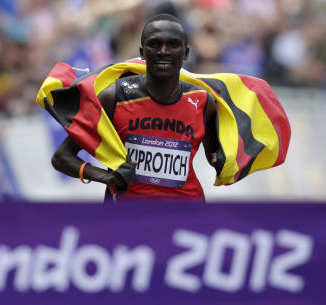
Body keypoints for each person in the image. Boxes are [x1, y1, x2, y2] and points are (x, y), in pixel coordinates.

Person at [51, 14, 219, 202]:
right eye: (154, 44)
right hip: (128, 219)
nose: (163, 51)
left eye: (173, 44)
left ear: (186, 53)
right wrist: (106, 177)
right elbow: (61, 157)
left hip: (187, 217)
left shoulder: (204, 102)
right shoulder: (114, 97)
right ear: (142, 51)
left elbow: (215, 154)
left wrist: (220, 160)